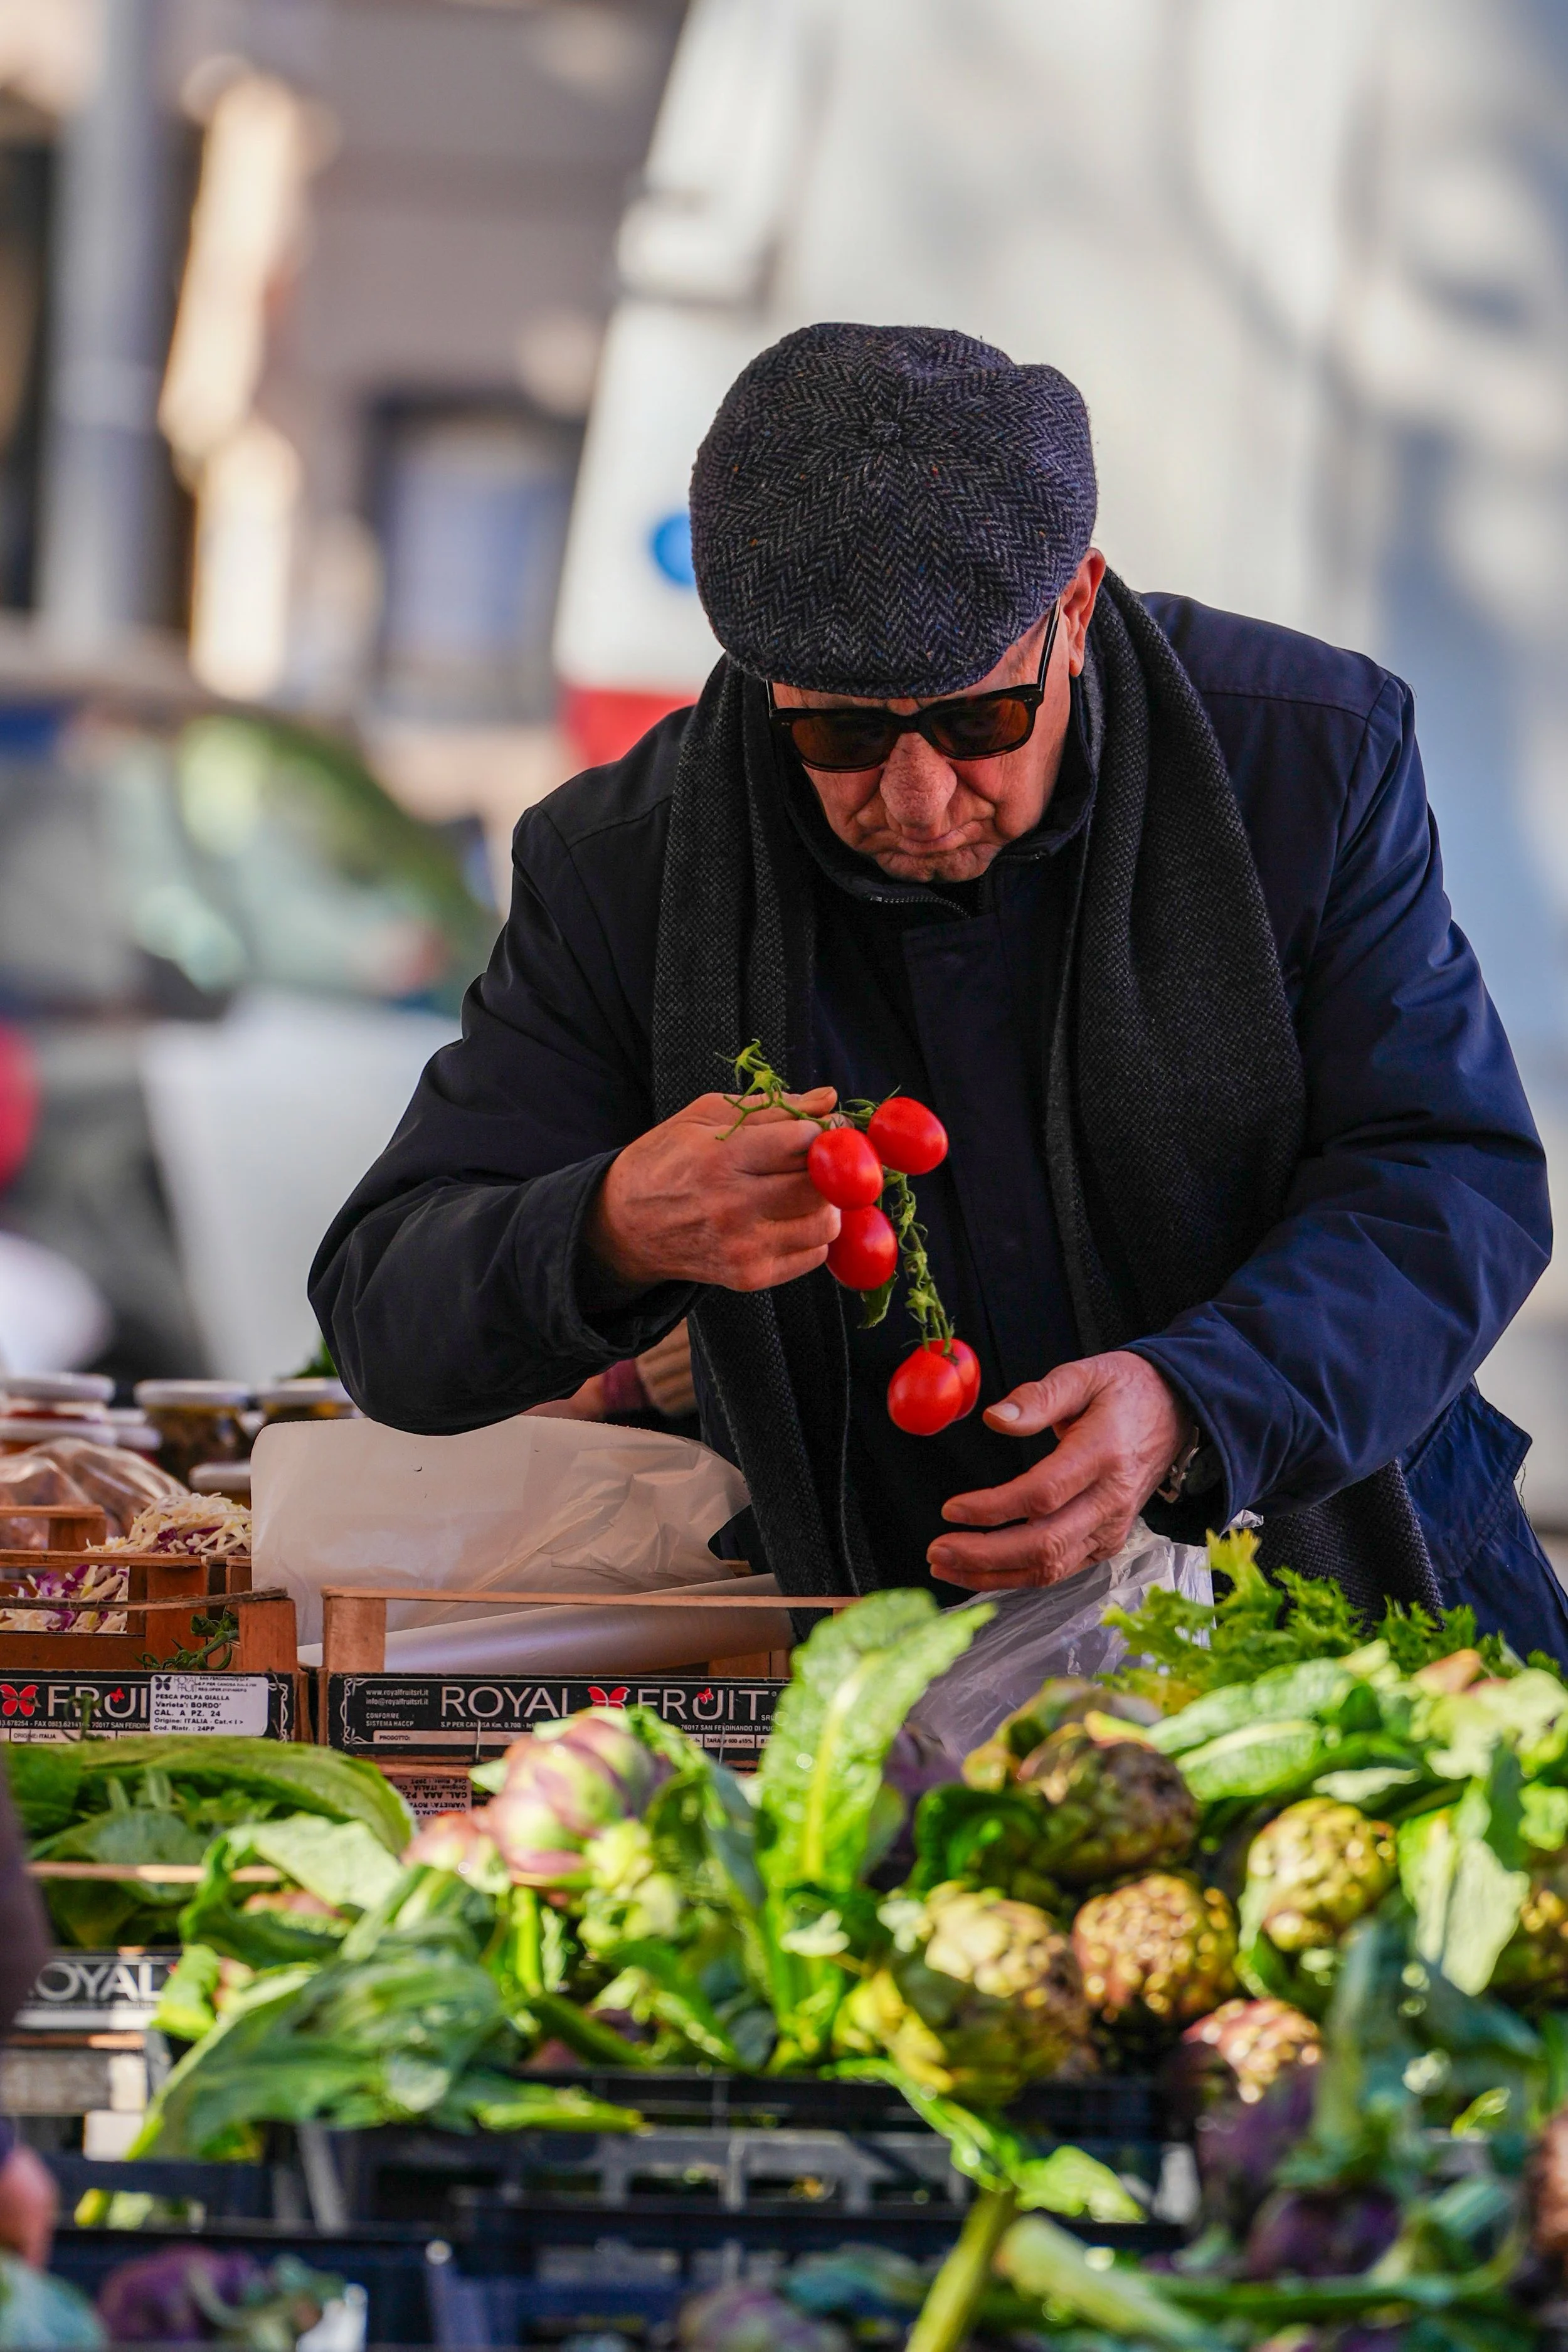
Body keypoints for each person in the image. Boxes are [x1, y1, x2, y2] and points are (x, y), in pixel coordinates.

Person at [312, 322, 1568, 1661]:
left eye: (976, 724)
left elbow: (1449, 1183)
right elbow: (385, 1314)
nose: (914, 801)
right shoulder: (623, 863)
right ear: (756, 673)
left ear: (1072, 611)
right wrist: (609, 1226)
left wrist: (1194, 1401)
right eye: (841, 735)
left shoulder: (1304, 756)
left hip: (1362, 1604)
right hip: (875, 1670)